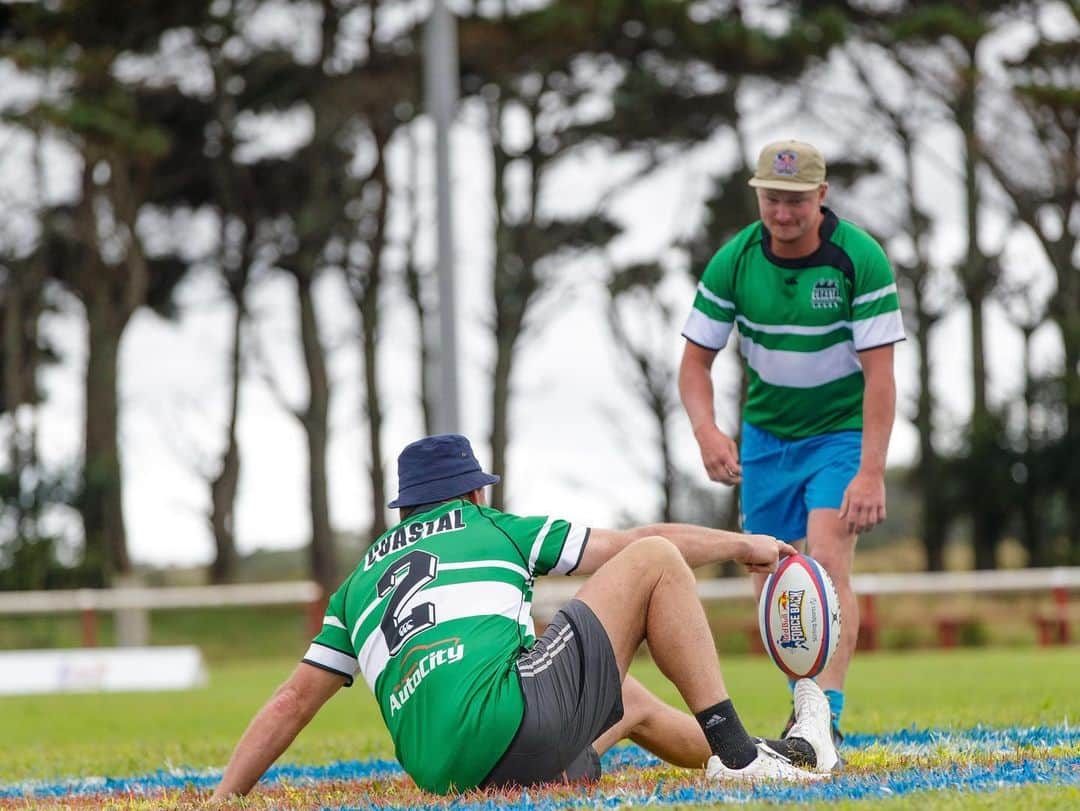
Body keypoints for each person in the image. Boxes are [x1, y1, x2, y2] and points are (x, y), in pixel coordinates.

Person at [212, 433, 837, 800]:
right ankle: (739, 757)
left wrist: (221, 799)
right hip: (517, 728)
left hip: (455, 778)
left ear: (406, 509)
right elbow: (638, 545)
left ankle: (789, 754)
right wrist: (740, 544)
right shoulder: (492, 527)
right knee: (654, 560)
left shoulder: (354, 588)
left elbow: (291, 702)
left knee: (628, 699)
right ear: (473, 493)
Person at [678, 139, 905, 760]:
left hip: (839, 434)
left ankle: (826, 716)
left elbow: (881, 377)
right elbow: (695, 364)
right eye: (772, 199)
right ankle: (804, 703)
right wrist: (708, 432)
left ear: (821, 197)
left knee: (828, 564)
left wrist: (871, 471)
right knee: (772, 575)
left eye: (796, 201)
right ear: (759, 195)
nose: (782, 213)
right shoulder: (735, 260)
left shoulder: (860, 259)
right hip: (766, 439)